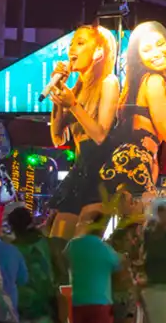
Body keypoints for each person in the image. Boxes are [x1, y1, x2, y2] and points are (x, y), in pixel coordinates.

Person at [100, 21, 166, 205]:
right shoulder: (154, 81)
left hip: (124, 160)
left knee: (125, 225)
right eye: (147, 49)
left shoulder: (132, 86)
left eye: (161, 44)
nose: (157, 53)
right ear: (138, 57)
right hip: (135, 161)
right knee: (143, 225)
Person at [48, 25, 120, 239]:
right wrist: (59, 95)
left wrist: (73, 105)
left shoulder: (109, 82)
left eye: (80, 43)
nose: (72, 50)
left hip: (100, 175)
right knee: (56, 242)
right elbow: (57, 138)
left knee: (82, 244)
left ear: (99, 51)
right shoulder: (77, 88)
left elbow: (99, 135)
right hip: (80, 171)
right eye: (71, 44)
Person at [65, 209, 120, 323]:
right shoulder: (105, 249)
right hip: (100, 301)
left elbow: (63, 262)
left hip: (78, 299)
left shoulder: (73, 245)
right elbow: (119, 270)